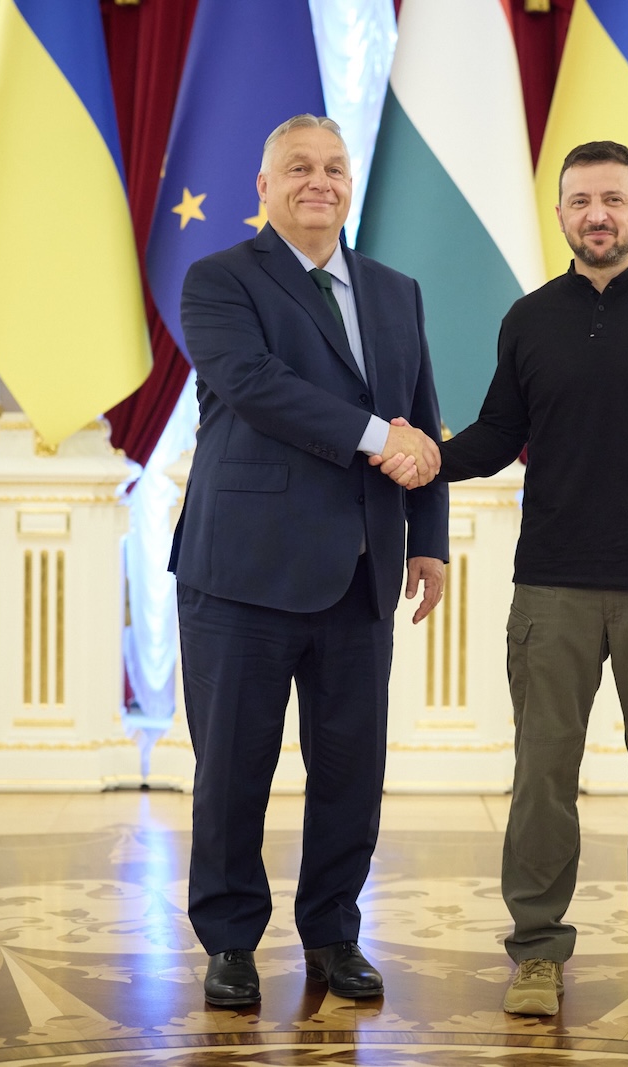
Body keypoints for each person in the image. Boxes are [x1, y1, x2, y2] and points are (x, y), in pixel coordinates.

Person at [378, 140, 628, 1017]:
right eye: (581, 200)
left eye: (613, 199)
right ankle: (537, 952)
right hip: (551, 588)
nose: (598, 215)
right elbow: (497, 435)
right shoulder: (530, 318)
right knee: (543, 771)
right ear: (561, 215)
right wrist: (426, 452)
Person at [171, 113, 448, 1008]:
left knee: (351, 770)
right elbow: (257, 388)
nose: (318, 181)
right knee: (233, 770)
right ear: (264, 187)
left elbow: (423, 424)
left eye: (333, 167)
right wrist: (380, 439)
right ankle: (229, 943)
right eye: (298, 168)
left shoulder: (396, 289)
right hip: (241, 573)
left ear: (350, 183)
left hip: (364, 572)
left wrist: (431, 538)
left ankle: (333, 933)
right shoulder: (219, 282)